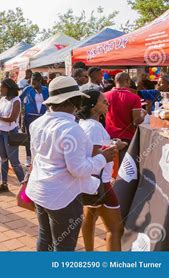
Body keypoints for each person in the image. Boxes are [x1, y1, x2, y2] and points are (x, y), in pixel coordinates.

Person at [25, 76, 125, 251]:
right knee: (63, 247)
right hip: (63, 198)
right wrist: (103, 158)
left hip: (40, 190)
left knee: (45, 237)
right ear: (73, 100)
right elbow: (78, 169)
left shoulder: (38, 123)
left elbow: (36, 157)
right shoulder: (71, 128)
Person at [77, 90, 125, 251]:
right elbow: (94, 153)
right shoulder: (94, 127)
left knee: (89, 220)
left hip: (88, 182)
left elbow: (91, 148)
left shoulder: (84, 124)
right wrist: (115, 147)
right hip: (101, 183)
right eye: (103, 102)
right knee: (115, 229)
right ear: (92, 106)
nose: (107, 104)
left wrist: (110, 143)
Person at [0, 78, 25, 194]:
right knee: (3, 159)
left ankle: (24, 187)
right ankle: (3, 184)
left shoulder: (16, 101)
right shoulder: (2, 99)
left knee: (14, 162)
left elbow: (12, 118)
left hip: (10, 133)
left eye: (2, 87)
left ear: (8, 88)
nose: (0, 89)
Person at [105, 72, 144, 163]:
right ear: (127, 81)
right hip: (127, 138)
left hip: (108, 137)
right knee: (126, 169)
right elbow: (136, 121)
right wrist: (143, 114)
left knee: (110, 169)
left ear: (115, 81)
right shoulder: (135, 98)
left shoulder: (104, 96)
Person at [20, 72, 49, 166]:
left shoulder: (46, 90)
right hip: (30, 116)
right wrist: (22, 108)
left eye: (34, 83)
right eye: (31, 82)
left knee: (42, 137)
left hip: (43, 117)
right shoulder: (28, 89)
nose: (33, 85)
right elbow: (19, 99)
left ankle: (40, 157)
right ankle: (28, 157)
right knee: (29, 138)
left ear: (40, 81)